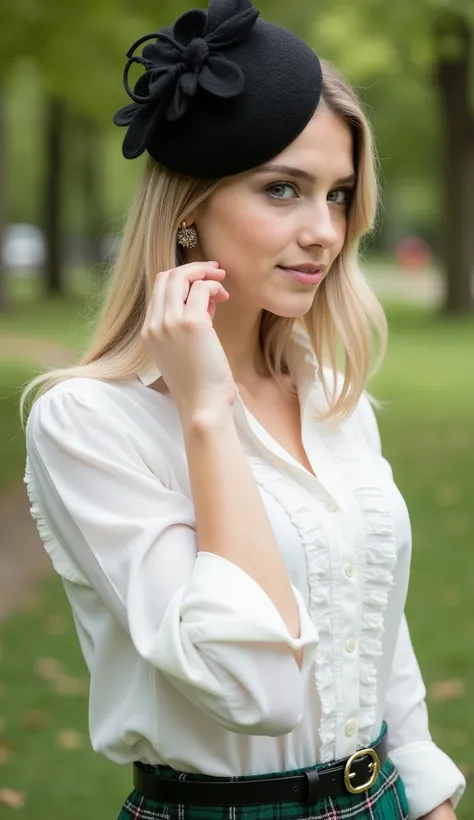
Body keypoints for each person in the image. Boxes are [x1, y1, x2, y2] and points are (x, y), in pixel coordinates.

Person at [21, 0, 465, 818]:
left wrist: (429, 794)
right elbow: (253, 688)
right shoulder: (88, 423)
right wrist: (206, 414)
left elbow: (371, 622)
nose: (324, 230)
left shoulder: (332, 397)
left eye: (337, 195)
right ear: (190, 211)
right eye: (283, 189)